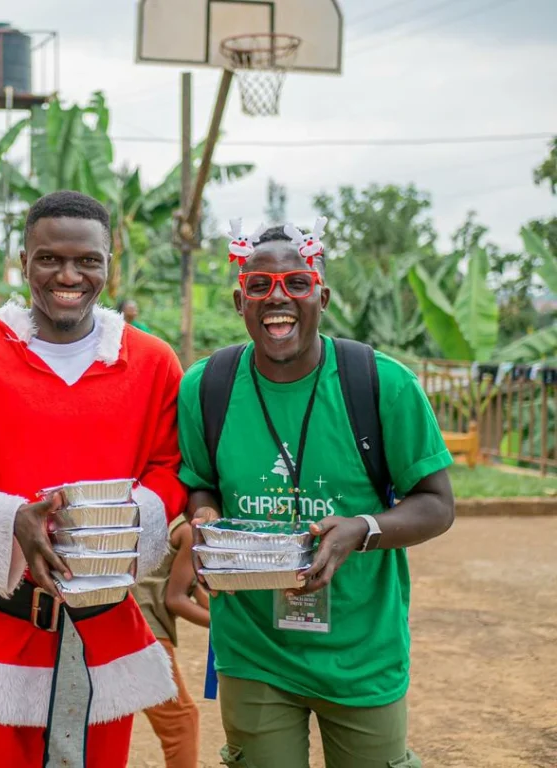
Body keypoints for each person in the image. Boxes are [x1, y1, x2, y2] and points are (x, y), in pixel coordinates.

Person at [0, 190, 188, 768]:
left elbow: (170, 467)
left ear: (109, 264)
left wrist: (114, 529)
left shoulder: (154, 362)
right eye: (49, 259)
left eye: (87, 261)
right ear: (23, 261)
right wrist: (9, 520)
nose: (69, 275)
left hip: (101, 624)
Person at [178, 222, 455, 768]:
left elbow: (437, 503)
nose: (277, 296)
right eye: (259, 285)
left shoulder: (382, 384)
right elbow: (200, 480)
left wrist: (363, 530)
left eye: (297, 283)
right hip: (253, 646)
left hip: (361, 651)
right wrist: (204, 517)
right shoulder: (206, 386)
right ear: (240, 301)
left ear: (321, 297)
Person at [132, 516, 209, 768]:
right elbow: (176, 600)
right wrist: (224, 626)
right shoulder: (186, 529)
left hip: (126, 625)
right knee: (181, 720)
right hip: (144, 634)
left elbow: (198, 591)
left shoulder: (157, 516)